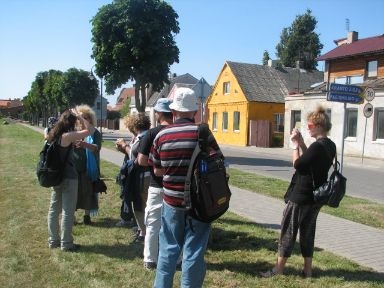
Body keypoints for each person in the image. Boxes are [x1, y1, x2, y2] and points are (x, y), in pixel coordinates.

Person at [149, 87, 223, 288]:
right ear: (195, 112)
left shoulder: (160, 137)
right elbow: (218, 163)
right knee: (194, 252)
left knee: (168, 250)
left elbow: (156, 171)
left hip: (172, 202)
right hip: (200, 203)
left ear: (173, 112)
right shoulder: (203, 133)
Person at [260, 106, 336, 278]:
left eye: (309, 126)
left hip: (301, 195)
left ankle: (278, 269)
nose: (307, 129)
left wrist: (294, 146)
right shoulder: (330, 145)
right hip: (315, 198)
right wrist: (302, 143)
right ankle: (307, 270)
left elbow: (299, 165)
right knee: (308, 233)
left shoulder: (317, 146)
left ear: (318, 126)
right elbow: (312, 160)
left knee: (288, 231)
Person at [47, 109, 94, 251]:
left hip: (55, 176)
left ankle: (53, 240)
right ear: (71, 123)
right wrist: (80, 116)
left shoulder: (53, 135)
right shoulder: (67, 136)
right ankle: (66, 243)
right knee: (68, 210)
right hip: (69, 177)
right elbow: (91, 130)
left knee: (53, 209)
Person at [137, 98, 173, 270]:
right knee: (175, 224)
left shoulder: (151, 134)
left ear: (158, 114)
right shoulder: (178, 131)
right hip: (177, 186)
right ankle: (177, 258)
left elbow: (142, 160)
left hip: (157, 184)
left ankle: (150, 259)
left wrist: (157, 165)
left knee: (152, 223)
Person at [115, 113, 151, 242]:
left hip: (143, 177)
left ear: (134, 125)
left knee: (142, 206)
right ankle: (142, 232)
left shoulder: (145, 137)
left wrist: (125, 147)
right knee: (138, 205)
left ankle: (145, 233)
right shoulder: (139, 137)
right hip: (137, 176)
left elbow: (137, 158)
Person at [73, 104, 102, 225]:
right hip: (74, 166)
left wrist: (84, 144)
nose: (84, 120)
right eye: (81, 117)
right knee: (73, 192)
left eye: (86, 117)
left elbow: (96, 148)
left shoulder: (94, 133)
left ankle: (87, 216)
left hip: (88, 167)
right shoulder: (73, 132)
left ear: (91, 119)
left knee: (88, 192)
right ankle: (72, 217)